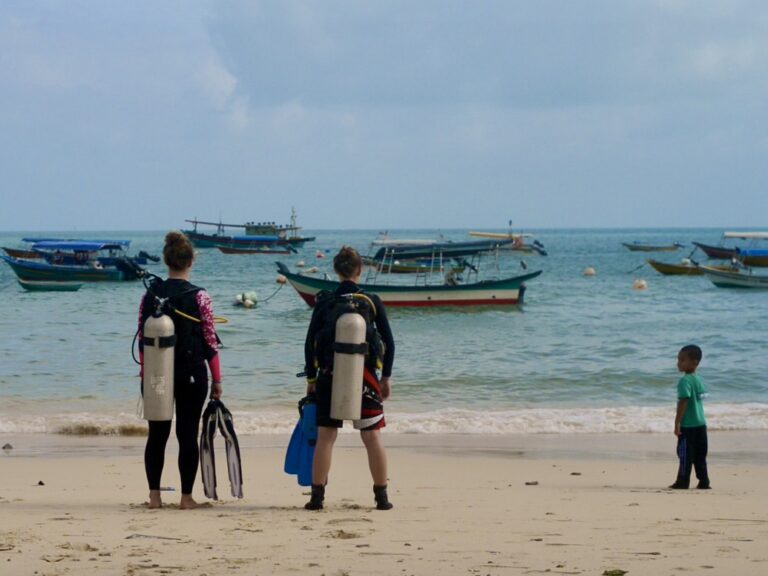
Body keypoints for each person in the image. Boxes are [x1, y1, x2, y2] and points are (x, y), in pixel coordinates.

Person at [303, 246, 395, 511]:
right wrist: (385, 377)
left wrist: (311, 378)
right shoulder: (372, 301)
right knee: (372, 437)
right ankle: (382, 498)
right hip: (365, 377)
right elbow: (389, 342)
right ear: (360, 270)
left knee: (326, 437)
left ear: (335, 270)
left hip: (328, 375)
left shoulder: (325, 301)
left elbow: (309, 344)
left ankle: (317, 498)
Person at [138, 231, 222, 509]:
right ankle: (186, 497)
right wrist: (217, 380)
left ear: (166, 260)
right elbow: (210, 341)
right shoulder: (201, 296)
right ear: (191, 261)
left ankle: (154, 497)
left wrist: (144, 375)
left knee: (157, 435)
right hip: (191, 373)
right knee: (187, 434)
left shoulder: (150, 295)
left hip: (156, 374)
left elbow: (141, 338)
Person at [669, 344, 711, 490]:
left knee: (684, 454)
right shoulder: (697, 379)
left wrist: (677, 422)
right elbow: (703, 397)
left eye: (681, 360)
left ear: (694, 362)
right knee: (700, 455)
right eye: (678, 359)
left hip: (688, 425)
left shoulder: (684, 381)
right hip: (701, 423)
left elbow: (684, 400)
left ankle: (683, 481)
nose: (678, 363)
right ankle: (704, 481)